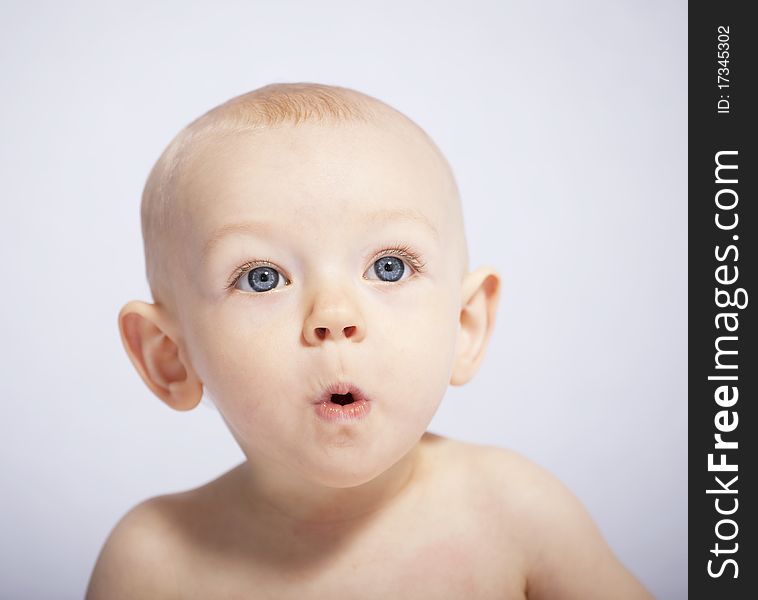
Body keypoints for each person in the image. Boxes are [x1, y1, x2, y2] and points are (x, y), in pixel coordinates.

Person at [86, 82, 653, 599]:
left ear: (465, 325)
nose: (334, 316)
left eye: (388, 267)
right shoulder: (154, 564)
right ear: (169, 356)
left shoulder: (515, 513)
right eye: (263, 277)